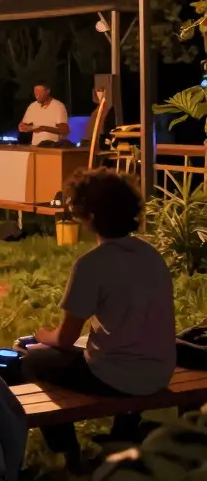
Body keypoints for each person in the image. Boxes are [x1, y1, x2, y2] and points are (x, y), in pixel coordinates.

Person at [19, 168, 175, 473]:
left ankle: (68, 451)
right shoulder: (151, 255)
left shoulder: (91, 265)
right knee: (104, 354)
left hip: (117, 377)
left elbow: (64, 339)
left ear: (87, 215)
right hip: (160, 370)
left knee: (31, 362)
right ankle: (123, 434)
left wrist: (40, 336)